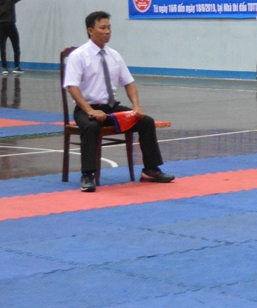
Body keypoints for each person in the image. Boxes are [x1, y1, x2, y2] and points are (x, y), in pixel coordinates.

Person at [63, 11, 175, 192]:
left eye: (109, 27)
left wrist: (136, 107)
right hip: (87, 109)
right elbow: (72, 87)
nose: (107, 31)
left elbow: (129, 83)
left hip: (112, 109)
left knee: (146, 122)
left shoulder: (114, 55)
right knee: (91, 127)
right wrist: (90, 111)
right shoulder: (79, 56)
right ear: (90, 30)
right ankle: (88, 175)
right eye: (102, 28)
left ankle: (150, 170)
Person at [0, 0, 38, 74]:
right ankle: (16, 66)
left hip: (1, 26)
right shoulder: (9, 0)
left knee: (2, 48)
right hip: (10, 25)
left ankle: (5, 68)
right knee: (16, 46)